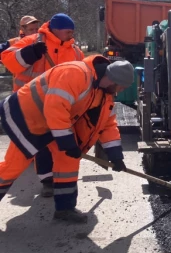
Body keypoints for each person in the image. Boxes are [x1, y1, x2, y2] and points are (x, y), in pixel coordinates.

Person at [0, 55, 134, 223]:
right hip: (25, 118)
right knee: (13, 167)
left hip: (52, 125)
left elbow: (107, 125)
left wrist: (115, 155)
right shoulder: (75, 73)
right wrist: (67, 141)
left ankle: (65, 208)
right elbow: (55, 107)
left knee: (68, 160)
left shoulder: (104, 94)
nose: (119, 91)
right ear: (113, 79)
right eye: (121, 87)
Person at [1, 13, 84, 198]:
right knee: (23, 156)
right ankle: (47, 181)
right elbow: (7, 59)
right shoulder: (33, 41)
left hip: (58, 110)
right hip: (28, 108)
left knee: (62, 151)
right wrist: (29, 53)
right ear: (56, 30)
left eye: (72, 32)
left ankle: (63, 200)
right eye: (68, 32)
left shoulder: (76, 51)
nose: (71, 35)